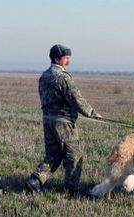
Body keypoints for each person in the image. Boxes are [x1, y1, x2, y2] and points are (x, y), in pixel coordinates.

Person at [26, 44, 102, 196]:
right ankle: (72, 190)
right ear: (56, 59)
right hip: (63, 122)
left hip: (48, 120)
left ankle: (35, 180)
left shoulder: (44, 76)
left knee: (53, 155)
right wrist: (92, 113)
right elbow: (76, 98)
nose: (68, 61)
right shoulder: (62, 77)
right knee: (74, 156)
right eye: (66, 58)